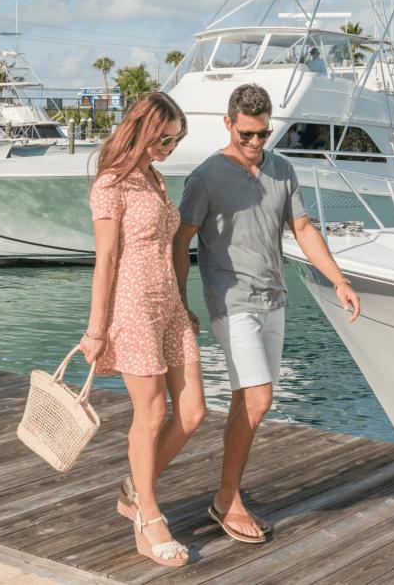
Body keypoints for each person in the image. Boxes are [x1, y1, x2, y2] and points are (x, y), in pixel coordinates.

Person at [176, 83, 360, 544]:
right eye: (247, 135)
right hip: (230, 301)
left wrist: (339, 280)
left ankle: (228, 495)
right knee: (258, 400)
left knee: (247, 402)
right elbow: (180, 242)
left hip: (274, 301)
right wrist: (180, 304)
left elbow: (302, 227)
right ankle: (227, 499)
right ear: (228, 124)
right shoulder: (204, 177)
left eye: (263, 134)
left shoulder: (282, 169)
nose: (256, 144)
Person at [80, 91, 204, 569]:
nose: (169, 147)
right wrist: (96, 329)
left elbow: (169, 247)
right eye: (164, 138)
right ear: (143, 129)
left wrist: (184, 303)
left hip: (168, 305)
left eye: (175, 140)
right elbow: (106, 259)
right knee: (151, 413)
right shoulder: (111, 184)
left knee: (192, 412)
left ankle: (135, 488)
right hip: (131, 307)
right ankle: (148, 516)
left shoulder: (154, 179)